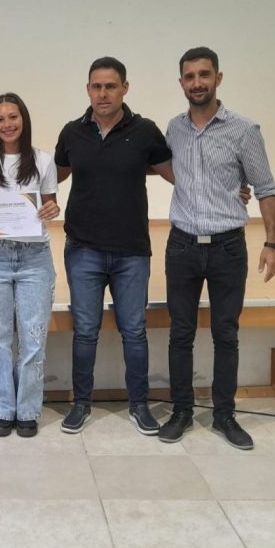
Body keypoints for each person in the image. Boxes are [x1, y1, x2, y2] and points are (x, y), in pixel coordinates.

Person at [158, 46, 275, 450]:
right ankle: (181, 411)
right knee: (181, 333)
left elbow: (265, 187)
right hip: (182, 246)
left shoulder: (244, 130)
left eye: (204, 75)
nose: (197, 83)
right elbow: (164, 168)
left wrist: (272, 243)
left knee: (226, 334)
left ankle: (224, 415)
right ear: (181, 82)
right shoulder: (173, 129)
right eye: (190, 76)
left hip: (228, 248)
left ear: (218, 78)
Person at [54, 57, 172, 435]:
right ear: (88, 89)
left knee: (134, 331)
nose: (103, 93)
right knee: (85, 331)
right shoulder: (72, 133)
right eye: (96, 86)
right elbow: (49, 180)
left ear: (125, 88)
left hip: (131, 251)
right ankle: (81, 404)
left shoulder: (146, 131)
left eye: (110, 86)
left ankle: (139, 405)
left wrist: (230, 188)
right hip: (83, 250)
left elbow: (181, 176)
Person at [0, 93, 60, 438]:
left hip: (34, 258)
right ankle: (3, 410)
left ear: (24, 119)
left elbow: (50, 205)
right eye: (0, 119)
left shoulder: (43, 160)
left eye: (13, 117)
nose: (7, 124)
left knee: (34, 340)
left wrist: (52, 210)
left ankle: (28, 410)